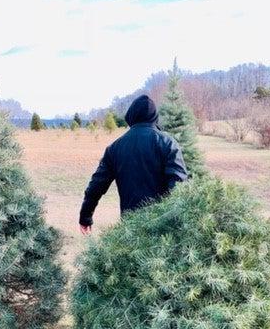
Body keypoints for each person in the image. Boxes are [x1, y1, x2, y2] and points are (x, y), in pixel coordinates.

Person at [79, 94, 188, 234]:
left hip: (130, 230)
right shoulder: (168, 143)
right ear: (154, 117)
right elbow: (179, 186)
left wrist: (85, 217)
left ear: (131, 116)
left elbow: (96, 186)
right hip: (164, 231)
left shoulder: (115, 148)